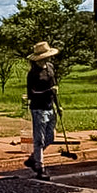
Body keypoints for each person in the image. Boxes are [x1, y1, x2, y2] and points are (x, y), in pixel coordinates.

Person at [24, 41, 60, 181]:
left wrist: (58, 105)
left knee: (50, 137)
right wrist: (48, 91)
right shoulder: (33, 74)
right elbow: (32, 93)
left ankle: (33, 158)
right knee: (39, 139)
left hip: (50, 107)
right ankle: (40, 167)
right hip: (38, 108)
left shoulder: (50, 68)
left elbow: (54, 86)